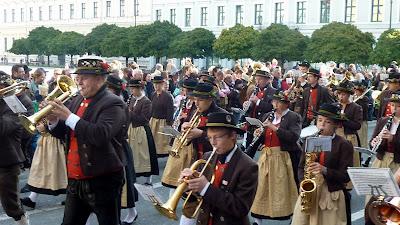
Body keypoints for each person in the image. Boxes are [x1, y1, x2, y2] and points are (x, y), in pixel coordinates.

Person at [46, 57, 125, 225]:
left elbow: (100, 135)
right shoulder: (77, 100)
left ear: (99, 79)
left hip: (103, 180)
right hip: (76, 179)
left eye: (84, 77)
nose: (78, 81)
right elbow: (67, 133)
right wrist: (53, 121)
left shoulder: (113, 103)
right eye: (78, 77)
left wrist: (68, 116)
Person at [180, 111, 258, 225]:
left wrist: (205, 188)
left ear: (233, 136)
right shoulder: (207, 156)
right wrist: (188, 187)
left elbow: (240, 208)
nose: (213, 143)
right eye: (210, 138)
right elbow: (197, 197)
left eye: (217, 137)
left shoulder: (248, 166)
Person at [291, 103, 354, 225]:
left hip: (331, 194)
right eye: (319, 120)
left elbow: (346, 176)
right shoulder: (310, 140)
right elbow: (301, 166)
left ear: (336, 124)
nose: (322, 124)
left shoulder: (344, 144)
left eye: (327, 122)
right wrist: (302, 183)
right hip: (310, 192)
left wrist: (324, 169)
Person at [249, 91, 300, 225]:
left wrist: (274, 128)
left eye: (278, 102)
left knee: (283, 188)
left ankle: (291, 217)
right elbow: (264, 135)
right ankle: (257, 219)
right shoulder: (268, 115)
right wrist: (259, 133)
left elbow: (293, 137)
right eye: (274, 102)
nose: (275, 104)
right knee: (261, 187)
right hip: (266, 156)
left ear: (285, 104)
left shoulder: (293, 117)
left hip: (283, 156)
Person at [0, 72, 33, 225]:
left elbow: (3, 128)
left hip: (7, 160)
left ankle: (22, 222)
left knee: (11, 204)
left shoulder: (15, 104)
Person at [105, 75, 139, 225]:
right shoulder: (110, 102)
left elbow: (118, 130)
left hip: (118, 147)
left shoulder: (118, 105)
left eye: (107, 88)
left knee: (125, 183)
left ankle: (131, 212)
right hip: (112, 146)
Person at [162, 79, 198, 190]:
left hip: (188, 140)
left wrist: (185, 118)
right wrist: (178, 121)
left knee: (182, 167)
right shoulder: (184, 101)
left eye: (186, 90)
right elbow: (178, 116)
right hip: (180, 136)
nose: (184, 92)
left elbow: (194, 121)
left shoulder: (196, 105)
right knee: (173, 168)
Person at [127, 79, 159, 186]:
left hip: (142, 130)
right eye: (130, 89)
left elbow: (144, 119)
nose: (131, 91)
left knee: (145, 154)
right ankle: (133, 175)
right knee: (133, 154)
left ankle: (148, 178)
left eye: (133, 89)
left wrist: (130, 113)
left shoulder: (146, 102)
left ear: (140, 89)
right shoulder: (132, 99)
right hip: (132, 129)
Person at [243, 70, 276, 152]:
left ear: (267, 80)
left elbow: (271, 108)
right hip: (251, 124)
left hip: (262, 124)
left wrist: (258, 101)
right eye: (256, 79)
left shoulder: (273, 91)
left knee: (263, 151)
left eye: (260, 79)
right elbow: (252, 107)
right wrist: (247, 105)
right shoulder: (255, 90)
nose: (257, 82)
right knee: (248, 150)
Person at [370, 91, 400, 173]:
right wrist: (373, 143)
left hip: (397, 162)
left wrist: (392, 138)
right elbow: (372, 140)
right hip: (381, 159)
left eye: (398, 106)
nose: (394, 108)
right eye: (392, 105)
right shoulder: (383, 121)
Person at [335, 80, 363, 167]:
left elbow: (357, 125)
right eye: (339, 94)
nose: (341, 97)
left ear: (348, 95)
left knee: (351, 162)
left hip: (349, 137)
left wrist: (344, 120)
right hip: (335, 136)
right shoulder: (334, 105)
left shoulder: (356, 107)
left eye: (343, 94)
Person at [149, 75, 174, 157]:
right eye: (155, 84)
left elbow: (170, 110)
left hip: (163, 121)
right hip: (154, 120)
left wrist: (169, 123)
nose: (156, 86)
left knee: (162, 139)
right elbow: (151, 108)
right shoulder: (153, 95)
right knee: (154, 138)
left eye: (158, 84)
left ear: (162, 84)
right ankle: (155, 152)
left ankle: (163, 153)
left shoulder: (167, 96)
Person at [353, 81, 370, 149]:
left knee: (361, 138)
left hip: (362, 121)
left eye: (357, 91)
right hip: (355, 120)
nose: (355, 93)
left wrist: (361, 100)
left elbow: (364, 109)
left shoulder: (365, 99)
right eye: (355, 91)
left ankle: (360, 152)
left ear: (361, 92)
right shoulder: (354, 97)